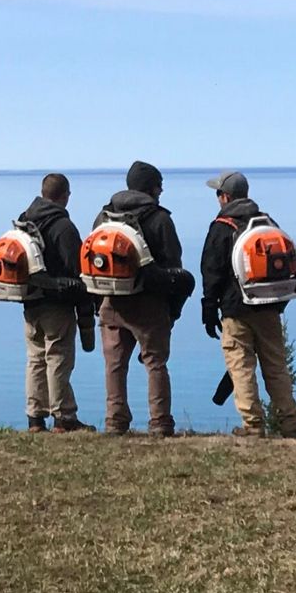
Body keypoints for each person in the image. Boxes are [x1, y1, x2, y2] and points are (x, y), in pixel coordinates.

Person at [200, 171, 296, 438]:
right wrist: (281, 300)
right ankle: (290, 424)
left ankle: (253, 426)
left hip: (235, 311)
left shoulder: (221, 227)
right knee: (276, 366)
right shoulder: (267, 224)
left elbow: (211, 272)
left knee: (240, 366)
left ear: (225, 197)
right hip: (268, 307)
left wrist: (209, 307)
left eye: (218, 194)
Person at [91, 161, 193, 437]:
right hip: (150, 304)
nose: (161, 191)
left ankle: (115, 421)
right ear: (151, 188)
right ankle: (160, 422)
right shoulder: (159, 219)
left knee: (114, 365)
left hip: (111, 301)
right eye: (159, 185)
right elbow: (174, 265)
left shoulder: (104, 217)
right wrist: (173, 309)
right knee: (155, 363)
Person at [18, 172, 94, 433]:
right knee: (58, 359)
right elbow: (78, 268)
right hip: (57, 304)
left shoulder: (25, 220)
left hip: (30, 302)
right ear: (65, 196)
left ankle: (35, 418)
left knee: (35, 359)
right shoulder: (63, 227)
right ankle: (64, 417)